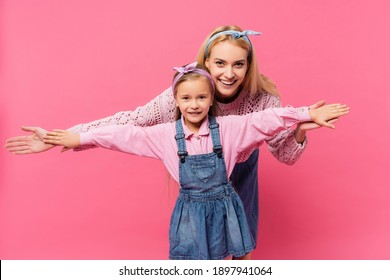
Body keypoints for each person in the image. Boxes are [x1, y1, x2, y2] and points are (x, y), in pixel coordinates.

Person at [5, 25, 340, 259]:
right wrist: (67, 135)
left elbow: (274, 135)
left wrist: (303, 121)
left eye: (238, 64)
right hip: (194, 186)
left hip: (240, 172)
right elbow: (128, 126)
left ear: (248, 66)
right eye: (220, 63)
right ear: (206, 64)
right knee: (196, 252)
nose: (229, 73)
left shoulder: (261, 102)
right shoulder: (184, 93)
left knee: (241, 246)